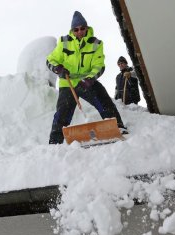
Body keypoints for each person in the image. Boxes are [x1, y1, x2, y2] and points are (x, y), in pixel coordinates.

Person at [46, 11, 126, 144]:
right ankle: (55, 140)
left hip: (87, 81)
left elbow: (99, 66)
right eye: (76, 29)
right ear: (72, 30)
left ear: (87, 28)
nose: (79, 32)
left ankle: (118, 127)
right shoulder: (64, 42)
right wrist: (57, 68)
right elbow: (50, 60)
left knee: (103, 98)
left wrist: (90, 79)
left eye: (82, 28)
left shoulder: (96, 43)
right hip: (68, 82)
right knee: (62, 111)